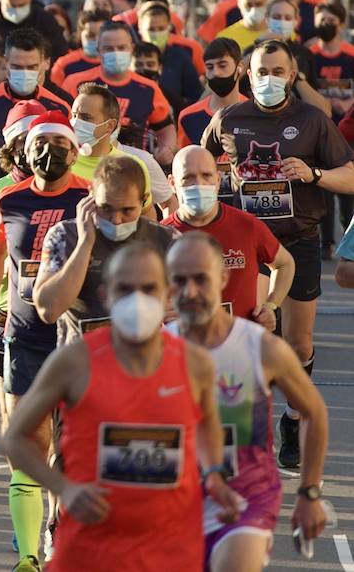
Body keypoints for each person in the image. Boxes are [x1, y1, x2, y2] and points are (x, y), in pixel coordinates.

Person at [0, 243, 243, 572]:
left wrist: (215, 476)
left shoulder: (195, 364)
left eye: (148, 288)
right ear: (106, 294)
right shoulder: (74, 361)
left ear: (167, 294)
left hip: (170, 545)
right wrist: (64, 489)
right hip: (91, 544)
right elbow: (15, 437)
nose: (137, 299)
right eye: (125, 289)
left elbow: (212, 427)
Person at [202, 39, 354, 467]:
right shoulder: (229, 118)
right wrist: (212, 186)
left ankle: (290, 417)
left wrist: (314, 173)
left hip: (298, 239)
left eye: (277, 71)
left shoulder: (312, 121)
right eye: (260, 71)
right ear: (246, 75)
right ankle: (246, 431)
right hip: (245, 244)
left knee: (297, 341)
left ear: (292, 75)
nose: (268, 79)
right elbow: (197, 162)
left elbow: (350, 175)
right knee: (251, 335)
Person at [168, 232, 331, 570]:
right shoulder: (152, 352)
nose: (190, 291)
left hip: (247, 497)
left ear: (223, 278)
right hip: (173, 501)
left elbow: (314, 411)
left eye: (201, 279)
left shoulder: (260, 346)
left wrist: (309, 492)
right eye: (178, 281)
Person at [0, 112, 90, 570]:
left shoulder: (88, 198)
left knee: (72, 442)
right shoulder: (9, 198)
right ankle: (28, 556)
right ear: (24, 152)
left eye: (59, 146)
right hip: (25, 334)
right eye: (41, 145)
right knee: (29, 438)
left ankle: (60, 530)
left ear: (75, 152)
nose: (49, 154)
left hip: (77, 336)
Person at [35, 154, 176, 344]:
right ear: (91, 196)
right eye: (106, 208)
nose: (116, 219)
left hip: (143, 361)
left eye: (127, 210)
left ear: (143, 200)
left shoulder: (165, 239)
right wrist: (85, 243)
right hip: (83, 362)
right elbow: (48, 310)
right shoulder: (65, 236)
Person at [162, 145, 294, 332]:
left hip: (239, 345)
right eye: (187, 178)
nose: (198, 184)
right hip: (184, 348)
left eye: (206, 176)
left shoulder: (246, 225)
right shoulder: (160, 236)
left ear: (218, 180)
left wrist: (271, 306)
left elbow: (285, 263)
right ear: (172, 183)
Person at [64, 21, 178, 163]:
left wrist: (166, 148)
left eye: (121, 47)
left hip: (134, 165)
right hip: (82, 161)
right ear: (98, 50)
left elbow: (165, 127)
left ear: (132, 49)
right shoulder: (75, 83)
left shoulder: (148, 88)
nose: (116, 53)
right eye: (109, 48)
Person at [68, 82, 174, 213]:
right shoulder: (61, 163)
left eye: (86, 118)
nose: (75, 123)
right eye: (74, 115)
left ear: (110, 126)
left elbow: (149, 217)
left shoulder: (134, 166)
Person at [0, 29, 70, 134]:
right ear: (6, 62)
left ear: (44, 63)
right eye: (17, 67)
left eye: (32, 67)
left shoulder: (61, 107)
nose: (25, 73)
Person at [178, 37, 246, 148]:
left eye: (222, 65)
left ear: (240, 67)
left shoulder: (255, 113)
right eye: (210, 67)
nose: (216, 73)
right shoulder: (188, 117)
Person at [49, 11, 108, 88]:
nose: (97, 40)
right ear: (80, 35)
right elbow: (54, 96)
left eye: (101, 35)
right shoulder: (64, 64)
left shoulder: (115, 63)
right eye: (90, 35)